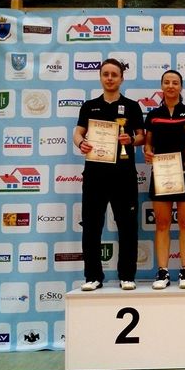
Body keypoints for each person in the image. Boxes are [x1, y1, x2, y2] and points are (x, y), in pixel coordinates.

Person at [73, 58, 144, 291]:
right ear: (101, 77)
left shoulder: (132, 106)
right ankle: (93, 276)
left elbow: (142, 136)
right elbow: (78, 133)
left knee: (127, 226)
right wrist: (81, 143)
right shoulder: (89, 106)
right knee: (92, 226)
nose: (110, 78)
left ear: (122, 78)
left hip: (124, 175)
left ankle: (127, 275)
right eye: (106, 74)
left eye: (114, 74)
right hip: (95, 175)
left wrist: (131, 139)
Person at [144, 70, 185, 289]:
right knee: (162, 224)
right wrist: (147, 152)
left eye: (175, 82)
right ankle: (163, 272)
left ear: (181, 87)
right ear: (162, 86)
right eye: (167, 82)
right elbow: (148, 143)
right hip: (162, 173)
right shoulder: (153, 115)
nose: (171, 86)